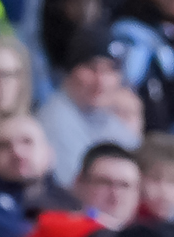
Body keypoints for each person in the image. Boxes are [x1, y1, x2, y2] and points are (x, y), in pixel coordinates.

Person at [12, 141, 141, 237]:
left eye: (125, 185)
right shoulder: (54, 228)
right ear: (79, 182)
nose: (115, 193)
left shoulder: (142, 227)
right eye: (104, 182)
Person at [40, 24, 142, 166]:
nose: (101, 81)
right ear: (70, 72)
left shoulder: (108, 117)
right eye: (91, 68)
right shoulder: (56, 119)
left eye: (110, 70)